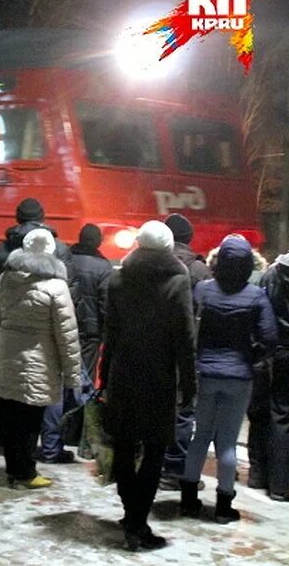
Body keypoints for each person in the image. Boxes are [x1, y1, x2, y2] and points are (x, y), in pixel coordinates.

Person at [103, 220, 196, 551]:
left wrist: (104, 373)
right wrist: (189, 381)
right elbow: (185, 337)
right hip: (159, 378)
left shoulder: (118, 277)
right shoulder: (177, 280)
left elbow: (110, 333)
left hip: (123, 374)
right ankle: (138, 523)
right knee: (155, 451)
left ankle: (131, 515)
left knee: (125, 447)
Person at [180, 235, 277, 523]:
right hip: (239, 377)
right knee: (227, 442)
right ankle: (223, 506)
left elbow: (189, 328)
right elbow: (269, 337)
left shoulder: (203, 290)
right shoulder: (256, 296)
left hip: (206, 373)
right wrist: (253, 359)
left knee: (200, 437)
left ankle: (188, 500)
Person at [0, 228, 81, 488]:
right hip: (39, 360)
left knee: (10, 416)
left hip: (7, 354)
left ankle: (13, 468)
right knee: (30, 419)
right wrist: (73, 374)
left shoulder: (6, 279)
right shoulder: (56, 286)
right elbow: (67, 334)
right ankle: (25, 473)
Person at [42, 223, 112, 462]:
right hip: (90, 334)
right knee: (84, 383)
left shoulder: (67, 259)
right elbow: (105, 305)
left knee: (61, 382)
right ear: (98, 242)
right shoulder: (104, 267)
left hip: (65, 329)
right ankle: (80, 436)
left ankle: (56, 435)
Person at [159, 213, 213, 490]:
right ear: (189, 238)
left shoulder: (151, 263)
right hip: (187, 349)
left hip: (154, 346)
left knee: (156, 404)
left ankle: (153, 464)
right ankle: (175, 467)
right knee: (182, 407)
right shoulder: (199, 270)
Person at [259, 226, 289, 502]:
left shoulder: (273, 272)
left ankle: (278, 487)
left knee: (282, 415)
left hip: (284, 351)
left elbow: (263, 309)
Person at [0, 198, 73, 310]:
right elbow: (69, 289)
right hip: (45, 320)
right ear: (41, 217)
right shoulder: (60, 249)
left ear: (18, 217)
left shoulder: (1, 249)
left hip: (11, 320)